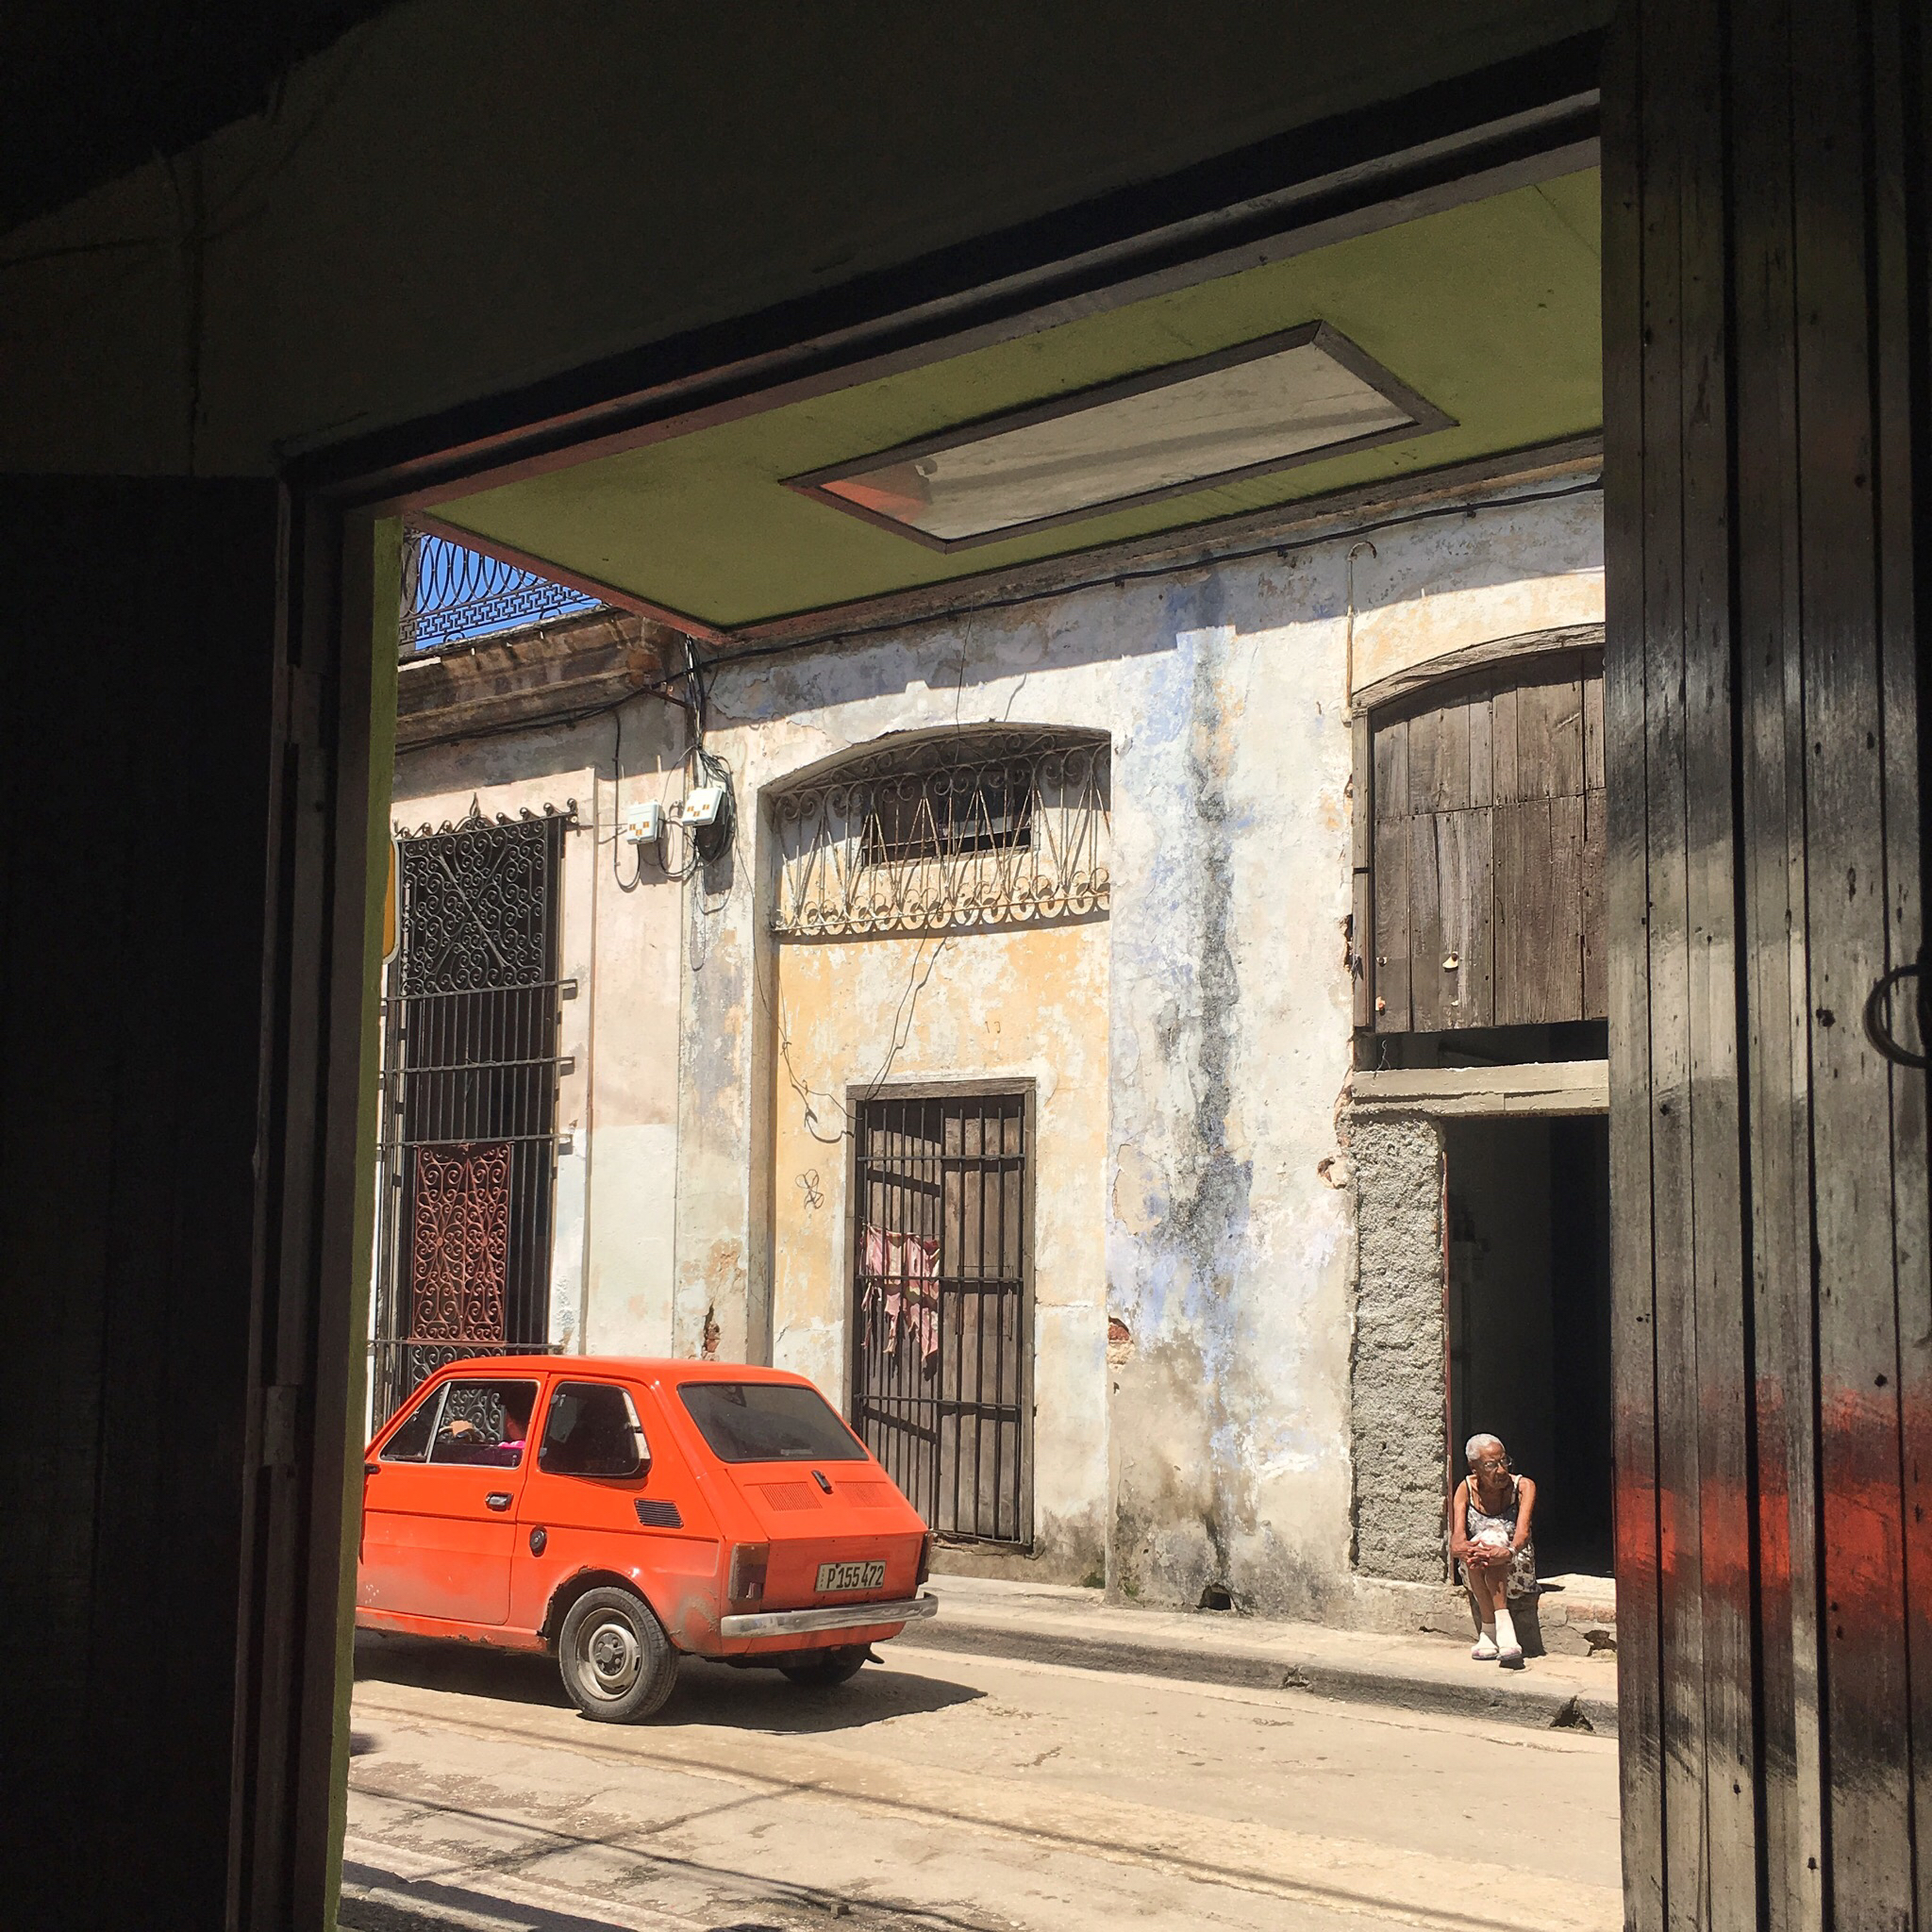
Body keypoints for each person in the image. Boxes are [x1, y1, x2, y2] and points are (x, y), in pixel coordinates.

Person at [1449, 1432, 1537, 1668]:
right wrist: (1464, 1548)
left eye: (1503, 1461)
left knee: (1493, 1539)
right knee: (1480, 1548)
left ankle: (1492, 1631)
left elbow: (1522, 1534)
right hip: (1476, 1566)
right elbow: (1457, 1537)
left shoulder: (1523, 1486)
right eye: (1490, 1465)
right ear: (1474, 1467)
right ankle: (1499, 1630)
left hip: (1516, 1563)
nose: (1500, 1470)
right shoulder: (1465, 1488)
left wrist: (1506, 1551)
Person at [441, 1387, 533, 1467]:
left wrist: (461, 1436)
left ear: (510, 1424)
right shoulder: (537, 1451)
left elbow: (461, 1463)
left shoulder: (505, 1453)